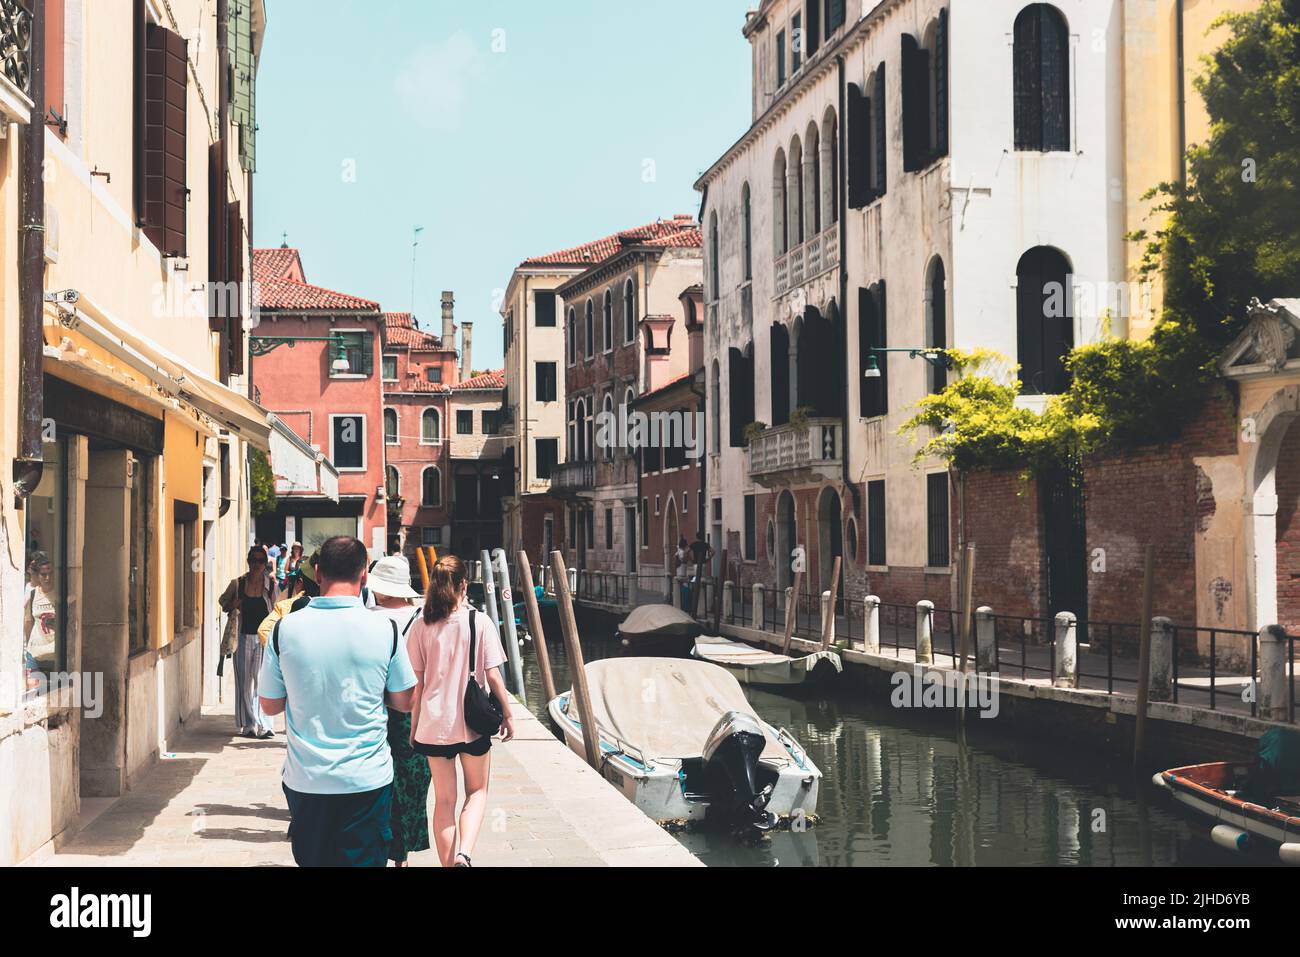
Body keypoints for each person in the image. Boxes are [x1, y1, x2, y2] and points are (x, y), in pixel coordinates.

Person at [258, 536, 416, 868]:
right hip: (367, 780)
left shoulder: (285, 629)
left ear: (317, 571)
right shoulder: (385, 630)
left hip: (307, 781)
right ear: (363, 576)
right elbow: (404, 701)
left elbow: (269, 706)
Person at [408, 555, 515, 867]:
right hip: (471, 724)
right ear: (464, 585)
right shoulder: (479, 622)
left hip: (432, 724)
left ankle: (447, 865)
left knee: (443, 800)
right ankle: (463, 855)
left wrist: (414, 729)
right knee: (477, 792)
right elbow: (494, 677)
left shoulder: (420, 624)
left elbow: (417, 683)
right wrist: (508, 716)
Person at [367, 555, 431, 867]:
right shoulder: (422, 618)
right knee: (411, 782)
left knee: (377, 780)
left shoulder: (365, 617)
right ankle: (400, 855)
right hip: (414, 711)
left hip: (373, 706)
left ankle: (381, 846)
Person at [218, 546, 279, 739]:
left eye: (261, 561)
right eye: (254, 560)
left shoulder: (271, 585)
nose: (257, 564)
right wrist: (232, 604)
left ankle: (264, 724)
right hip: (242, 637)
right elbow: (222, 602)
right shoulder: (237, 584)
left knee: (262, 681)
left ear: (265, 564)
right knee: (244, 683)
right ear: (248, 561)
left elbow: (276, 611)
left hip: (262, 640)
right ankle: (248, 724)